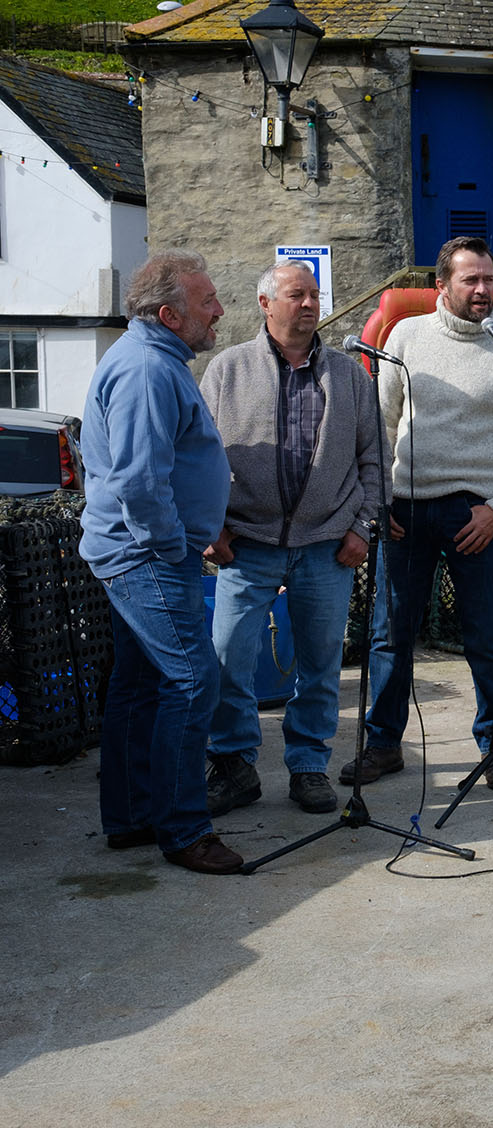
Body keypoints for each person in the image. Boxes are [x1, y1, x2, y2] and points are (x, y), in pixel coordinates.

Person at [339, 236, 493, 791]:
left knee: (487, 634)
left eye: (489, 279)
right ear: (442, 285)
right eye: (470, 280)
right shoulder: (404, 337)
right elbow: (381, 428)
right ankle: (383, 744)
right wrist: (380, 500)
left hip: (476, 514)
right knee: (390, 633)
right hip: (405, 511)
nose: (484, 290)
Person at [200, 260, 386, 818]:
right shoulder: (226, 371)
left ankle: (308, 767)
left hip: (327, 546)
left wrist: (362, 528)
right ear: (265, 303)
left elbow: (373, 461)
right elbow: (198, 458)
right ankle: (233, 765)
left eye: (314, 294)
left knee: (322, 664)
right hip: (247, 545)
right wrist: (211, 526)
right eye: (296, 294)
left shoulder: (350, 375)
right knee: (230, 658)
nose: (309, 304)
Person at [78, 250, 243, 874]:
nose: (219, 312)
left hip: (135, 551)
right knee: (192, 681)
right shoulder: (148, 369)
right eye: (207, 302)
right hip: (147, 555)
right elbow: (141, 483)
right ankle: (185, 830)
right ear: (170, 315)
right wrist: (174, 544)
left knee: (140, 684)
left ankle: (132, 818)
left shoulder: (151, 359)